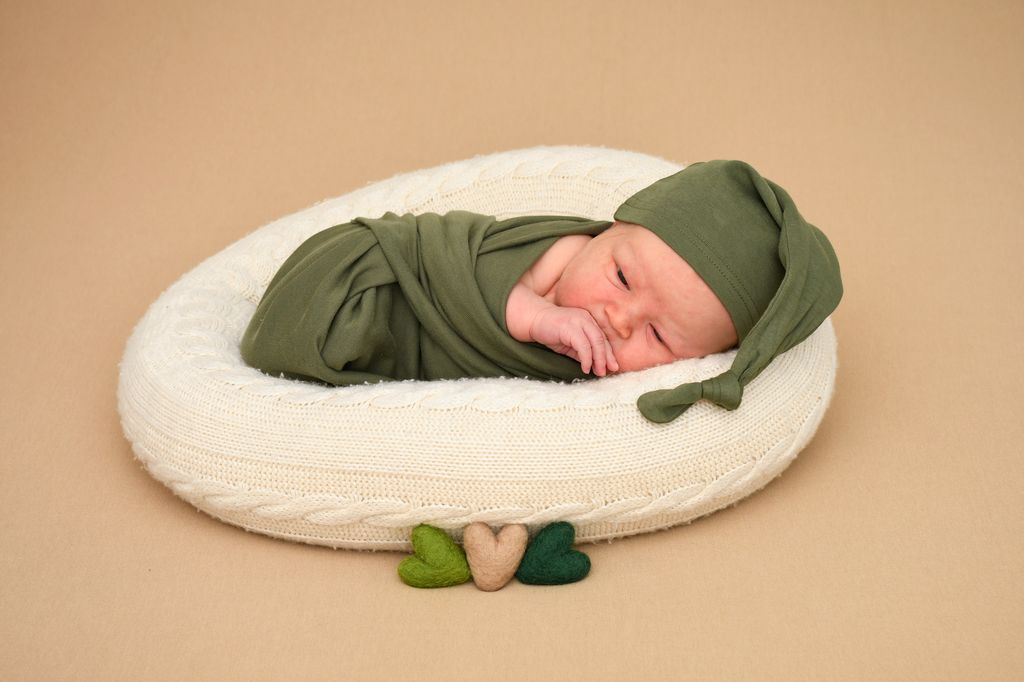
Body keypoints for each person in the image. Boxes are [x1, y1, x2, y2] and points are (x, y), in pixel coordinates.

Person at [240, 160, 842, 423]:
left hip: (416, 348)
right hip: (383, 283)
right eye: (622, 278)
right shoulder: (562, 254)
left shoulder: (626, 373)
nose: (620, 318)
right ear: (609, 229)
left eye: (659, 335)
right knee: (342, 326)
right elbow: (469, 269)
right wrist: (534, 317)